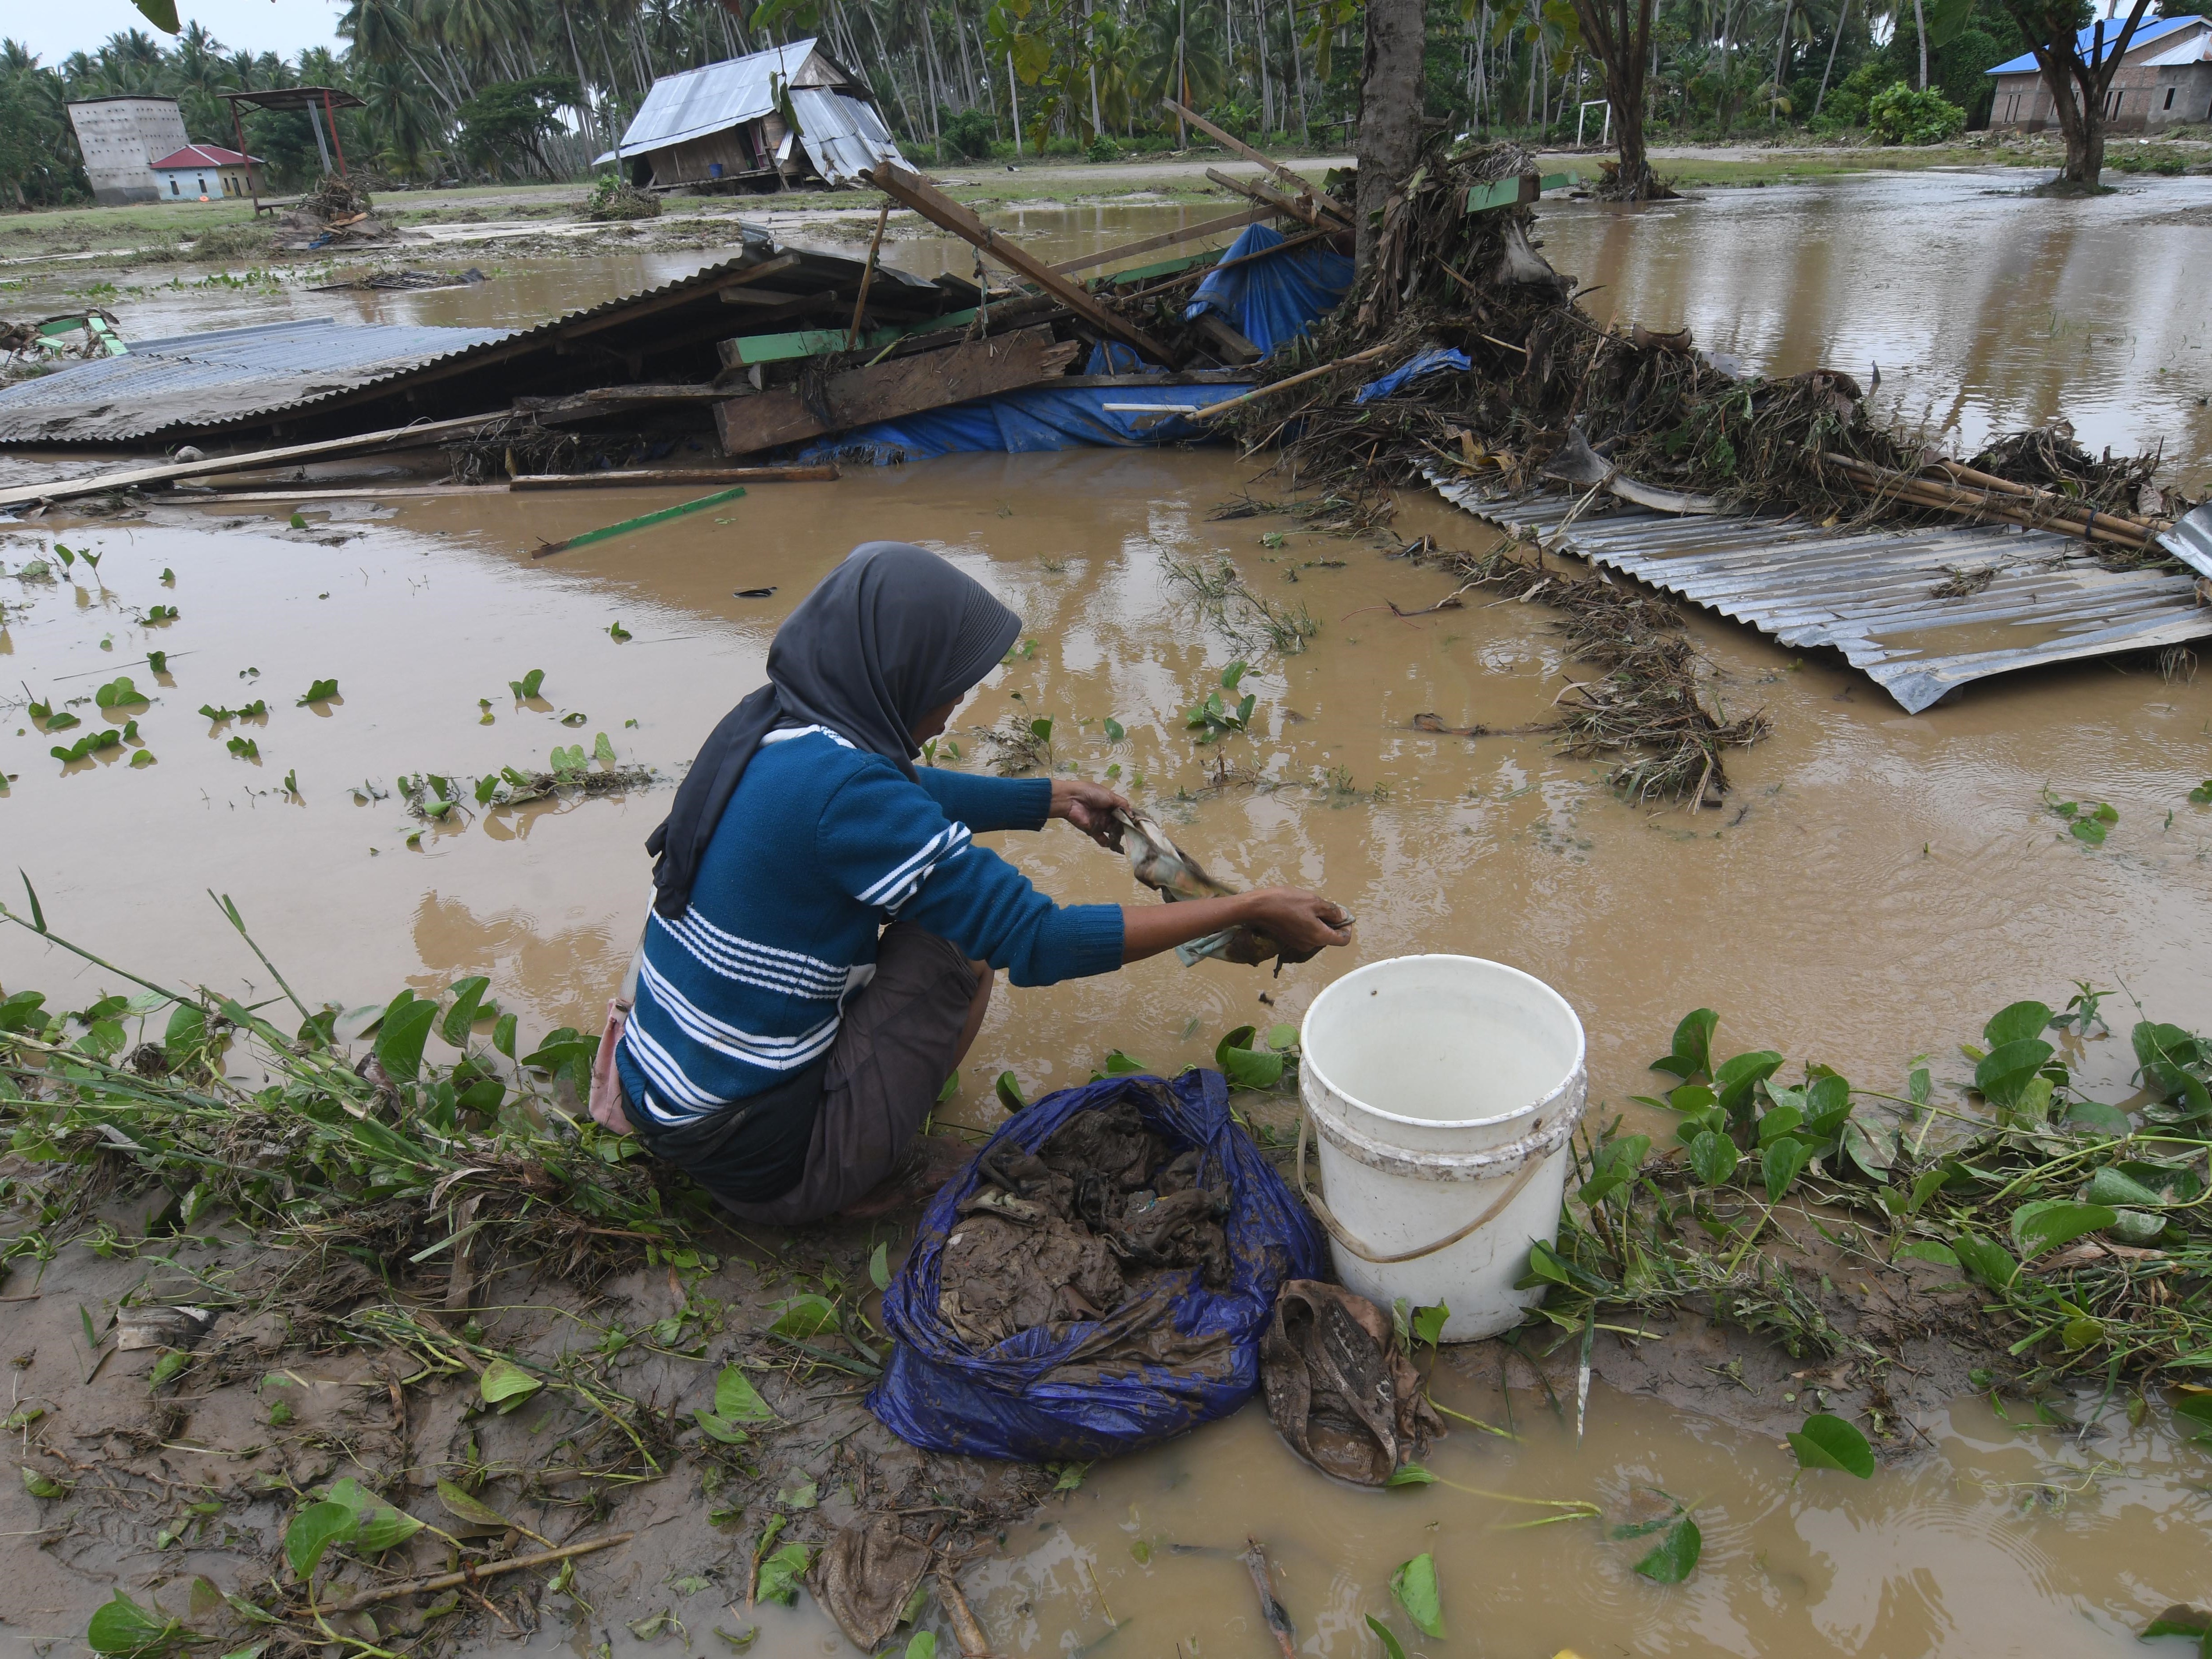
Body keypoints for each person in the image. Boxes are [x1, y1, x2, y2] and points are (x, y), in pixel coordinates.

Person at [587, 541, 1351, 1225]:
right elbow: (1037, 939)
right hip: (758, 1164)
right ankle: (847, 1171)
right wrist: (1243, 907)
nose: (955, 707)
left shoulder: (773, 726)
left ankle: (846, 1112)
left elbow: (887, 792)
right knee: (959, 945)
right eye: (949, 686)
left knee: (920, 908)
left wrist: (1047, 799)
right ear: (896, 674)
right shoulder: (851, 794)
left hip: (667, 1098)